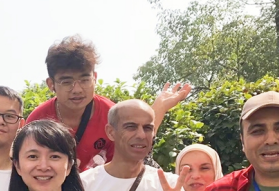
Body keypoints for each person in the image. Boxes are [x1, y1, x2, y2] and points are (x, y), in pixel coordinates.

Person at [26, 35, 191, 171]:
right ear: (51, 84)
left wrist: (160, 107)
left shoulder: (110, 113)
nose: (77, 89)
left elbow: (132, 156)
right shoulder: (37, 120)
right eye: (66, 82)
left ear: (95, 78)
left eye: (84, 80)